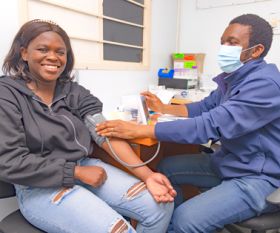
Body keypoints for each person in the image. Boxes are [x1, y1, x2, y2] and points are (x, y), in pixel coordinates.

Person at [96, 14, 280, 232]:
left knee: (185, 219)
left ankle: (187, 223)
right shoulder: (234, 78)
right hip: (232, 163)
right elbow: (203, 107)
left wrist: (141, 129)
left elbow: (209, 125)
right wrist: (164, 108)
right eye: (223, 42)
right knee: (166, 169)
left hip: (259, 177)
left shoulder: (264, 84)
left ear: (256, 51)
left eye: (232, 42)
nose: (224, 48)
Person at [0, 19, 176, 233]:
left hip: (85, 166)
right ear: (24, 53)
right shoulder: (6, 94)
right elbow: (9, 162)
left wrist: (148, 175)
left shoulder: (73, 91)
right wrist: (75, 172)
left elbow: (104, 133)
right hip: (39, 184)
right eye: (43, 49)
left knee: (160, 206)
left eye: (60, 52)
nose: (53, 57)